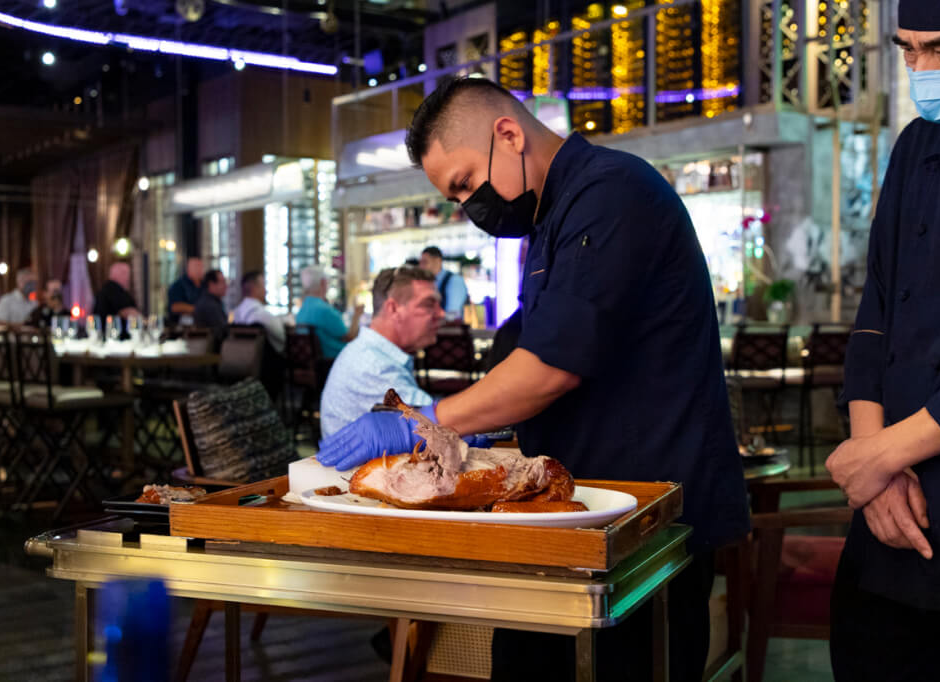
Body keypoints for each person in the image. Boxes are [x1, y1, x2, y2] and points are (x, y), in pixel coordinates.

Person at [316, 77, 748, 682]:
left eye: (466, 184)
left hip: (647, 510)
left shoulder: (610, 193)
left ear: (509, 134)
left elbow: (550, 367)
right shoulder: (551, 219)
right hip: (571, 509)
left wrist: (424, 422)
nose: (471, 210)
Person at [825, 3, 940, 679]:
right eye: (909, 52)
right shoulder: (914, 145)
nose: (923, 70)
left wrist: (884, 455)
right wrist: (875, 467)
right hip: (889, 515)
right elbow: (875, 315)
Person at [319, 266, 439, 438]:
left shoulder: (370, 352)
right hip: (358, 465)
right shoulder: (373, 365)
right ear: (393, 309)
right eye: (428, 305)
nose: (441, 313)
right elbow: (447, 427)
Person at [295, 266, 364, 360]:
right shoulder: (324, 310)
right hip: (335, 361)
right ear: (323, 282)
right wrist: (357, 315)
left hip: (313, 363)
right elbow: (350, 337)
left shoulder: (302, 310)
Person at [232, 271, 285, 354]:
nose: (265, 290)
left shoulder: (234, 314)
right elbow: (282, 336)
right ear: (254, 288)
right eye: (263, 286)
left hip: (238, 358)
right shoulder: (263, 315)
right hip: (264, 363)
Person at [419, 246, 469, 319]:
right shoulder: (427, 282)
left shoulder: (454, 280)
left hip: (451, 329)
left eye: (425, 262)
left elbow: (453, 315)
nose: (421, 267)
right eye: (420, 263)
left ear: (437, 261)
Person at [193, 269, 229, 343]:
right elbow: (223, 333)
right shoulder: (209, 305)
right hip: (211, 351)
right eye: (222, 282)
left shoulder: (210, 301)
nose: (226, 286)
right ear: (211, 284)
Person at [166, 257, 204, 324]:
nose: (200, 270)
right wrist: (199, 310)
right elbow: (175, 307)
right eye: (196, 267)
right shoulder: (178, 285)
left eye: (201, 266)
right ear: (188, 269)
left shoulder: (204, 285)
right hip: (182, 327)